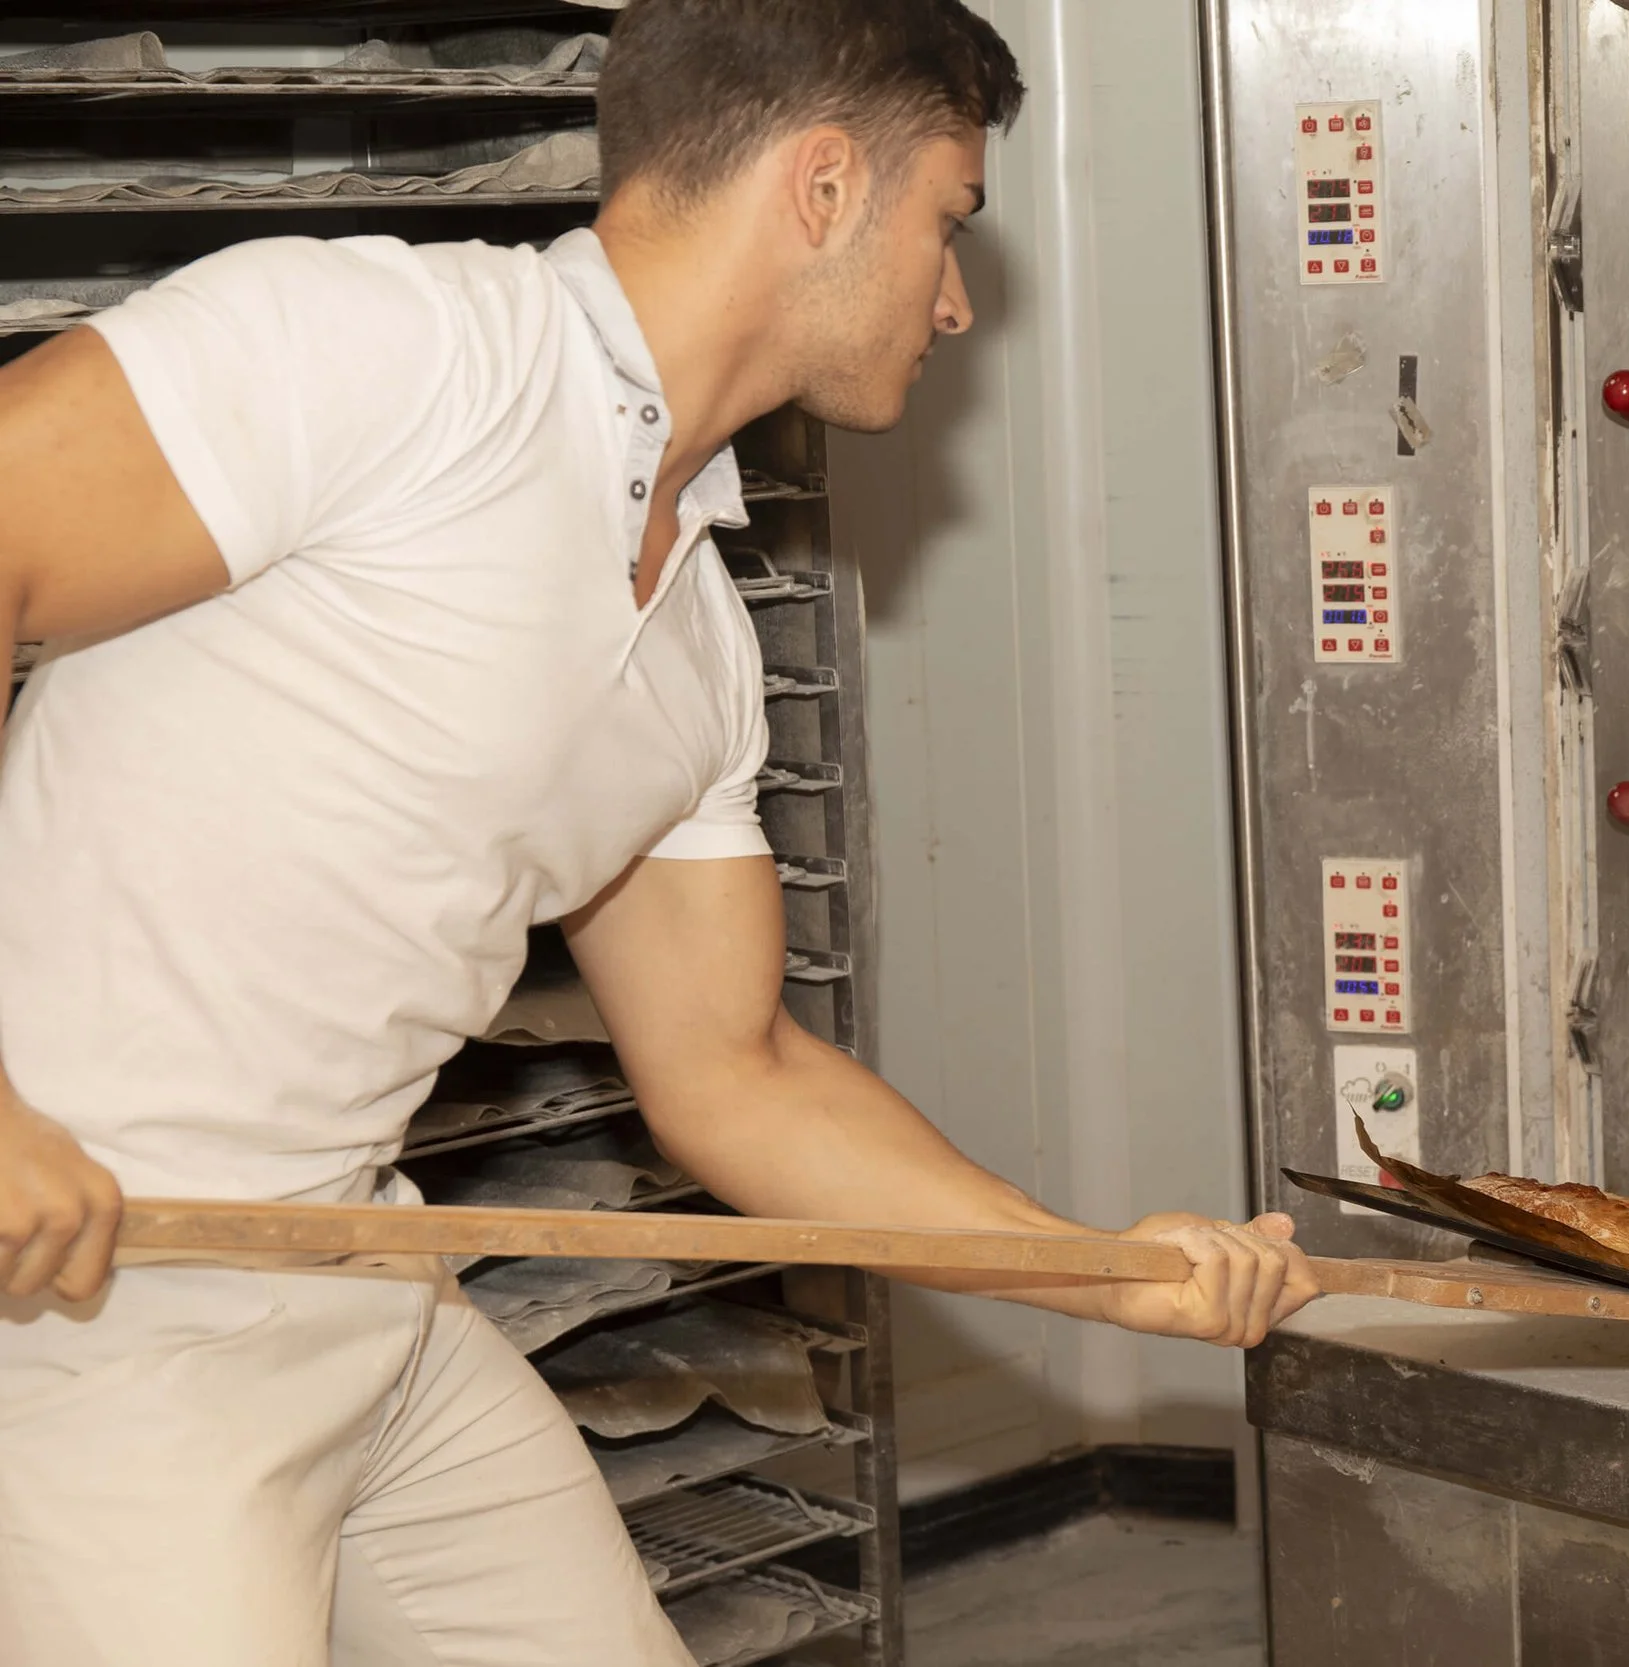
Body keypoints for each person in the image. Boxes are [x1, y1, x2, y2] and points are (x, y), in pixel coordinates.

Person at [0, 1, 1317, 1660]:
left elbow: (735, 1074)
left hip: (357, 1271)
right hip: (81, 1303)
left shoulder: (699, 647)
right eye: (949, 219)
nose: (958, 295)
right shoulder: (386, 351)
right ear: (825, 183)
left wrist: (1106, 1273)